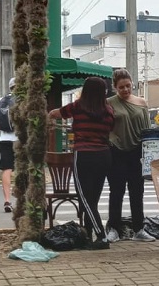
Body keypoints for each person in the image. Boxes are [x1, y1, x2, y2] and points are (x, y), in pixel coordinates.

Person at [48, 77, 115, 249]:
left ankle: (102, 237)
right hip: (104, 156)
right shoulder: (108, 110)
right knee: (93, 198)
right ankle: (87, 234)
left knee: (85, 199)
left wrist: (49, 117)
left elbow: (57, 113)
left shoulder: (78, 106)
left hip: (84, 155)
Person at [105, 68, 156, 243]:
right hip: (117, 151)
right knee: (116, 191)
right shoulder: (109, 103)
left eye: (128, 86)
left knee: (137, 191)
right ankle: (114, 228)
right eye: (121, 87)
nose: (125, 90)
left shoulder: (141, 102)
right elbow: (106, 127)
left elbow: (147, 129)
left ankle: (138, 229)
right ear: (115, 88)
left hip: (137, 152)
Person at [0, 77, 17, 213]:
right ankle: (23, 197)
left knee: (7, 169)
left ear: (10, 86)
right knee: (24, 169)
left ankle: (7, 200)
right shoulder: (24, 101)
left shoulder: (1, 101)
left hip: (4, 140)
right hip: (20, 140)